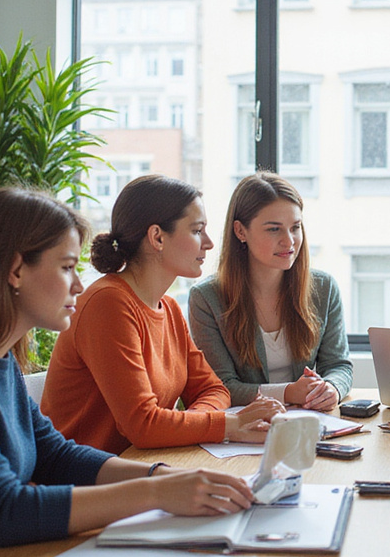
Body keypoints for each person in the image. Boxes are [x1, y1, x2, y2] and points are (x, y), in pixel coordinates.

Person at [0, 188, 256, 557]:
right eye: (67, 267)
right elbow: (0, 511)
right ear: (16, 271)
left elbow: (55, 455)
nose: (79, 285)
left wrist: (166, 476)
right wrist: (156, 492)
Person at [42, 175, 283, 454]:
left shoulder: (168, 308)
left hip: (144, 464)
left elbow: (214, 390)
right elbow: (143, 426)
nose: (208, 243)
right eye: (197, 230)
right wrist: (230, 424)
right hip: (88, 475)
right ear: (157, 237)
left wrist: (191, 424)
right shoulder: (107, 304)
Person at [189, 172, 352, 411]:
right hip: (245, 425)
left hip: (308, 421)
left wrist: (332, 388)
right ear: (240, 231)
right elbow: (221, 386)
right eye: (274, 229)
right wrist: (288, 392)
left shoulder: (324, 288)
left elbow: (338, 365)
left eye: (295, 227)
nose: (289, 241)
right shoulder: (206, 298)